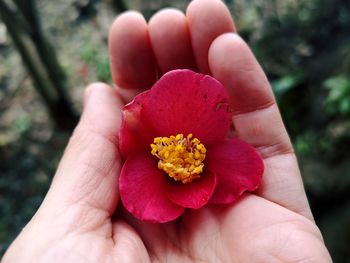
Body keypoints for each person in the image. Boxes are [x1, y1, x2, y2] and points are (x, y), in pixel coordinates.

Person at [2, 0, 332, 262]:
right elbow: (135, 122)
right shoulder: (141, 140)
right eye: (176, 155)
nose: (183, 157)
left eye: (188, 152)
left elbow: (238, 172)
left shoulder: (219, 166)